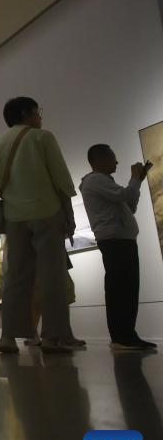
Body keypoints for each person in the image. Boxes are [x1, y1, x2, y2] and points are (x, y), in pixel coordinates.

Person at [0, 97, 76, 354]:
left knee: (16, 277)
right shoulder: (43, 138)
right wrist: (69, 215)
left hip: (14, 217)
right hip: (46, 212)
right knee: (52, 276)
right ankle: (53, 337)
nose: (40, 117)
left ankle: (8, 336)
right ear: (26, 113)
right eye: (37, 112)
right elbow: (61, 179)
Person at [79, 144, 155, 350]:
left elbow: (129, 205)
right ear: (100, 159)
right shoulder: (95, 180)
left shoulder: (103, 182)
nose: (117, 162)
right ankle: (122, 336)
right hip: (115, 240)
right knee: (122, 289)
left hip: (121, 239)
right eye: (113, 157)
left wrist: (137, 182)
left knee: (127, 288)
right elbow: (125, 196)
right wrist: (135, 180)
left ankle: (126, 334)